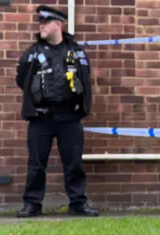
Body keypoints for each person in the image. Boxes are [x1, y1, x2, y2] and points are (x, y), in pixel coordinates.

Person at [15, 5, 98, 217]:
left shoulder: (76, 51)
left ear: (58, 25)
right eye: (40, 23)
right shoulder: (33, 53)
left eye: (45, 23)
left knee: (74, 163)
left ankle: (78, 203)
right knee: (36, 164)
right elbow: (21, 79)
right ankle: (32, 204)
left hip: (69, 117)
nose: (40, 26)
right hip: (41, 117)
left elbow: (86, 80)